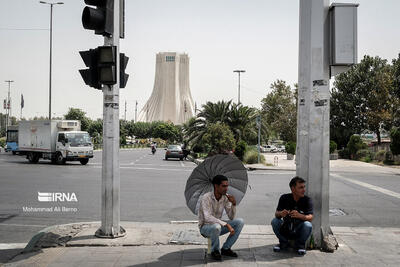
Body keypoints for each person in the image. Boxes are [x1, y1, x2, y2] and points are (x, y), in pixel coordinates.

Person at [198, 175, 244, 261]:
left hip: (218, 226)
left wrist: (233, 204)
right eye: (223, 186)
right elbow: (207, 218)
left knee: (240, 222)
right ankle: (215, 251)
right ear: (216, 186)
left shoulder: (225, 198)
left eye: (227, 186)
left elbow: (231, 217)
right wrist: (225, 224)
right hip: (205, 227)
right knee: (216, 227)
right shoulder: (206, 197)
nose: (226, 188)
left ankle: (226, 248)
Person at [271, 176, 313, 256]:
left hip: (299, 229)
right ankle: (283, 243)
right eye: (300, 187)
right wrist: (281, 213)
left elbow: (310, 217)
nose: (304, 190)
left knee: (308, 225)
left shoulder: (307, 200)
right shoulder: (284, 198)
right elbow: (276, 214)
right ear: (293, 189)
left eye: (304, 187)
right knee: (275, 221)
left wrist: (300, 216)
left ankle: (300, 245)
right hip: (286, 227)